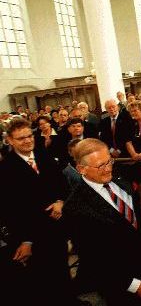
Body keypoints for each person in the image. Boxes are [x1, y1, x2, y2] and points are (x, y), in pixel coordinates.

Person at [63, 119, 141, 306]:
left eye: (109, 161)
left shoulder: (117, 173)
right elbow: (94, 259)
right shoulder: (76, 207)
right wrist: (133, 285)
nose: (108, 169)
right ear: (81, 169)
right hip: (120, 281)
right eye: (100, 166)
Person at [0, 118, 78, 305]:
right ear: (10, 140)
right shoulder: (5, 169)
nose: (27, 141)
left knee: (62, 270)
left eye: (29, 136)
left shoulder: (44, 155)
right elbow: (10, 211)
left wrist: (60, 202)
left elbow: (61, 184)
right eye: (21, 139)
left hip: (56, 226)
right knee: (42, 280)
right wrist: (25, 240)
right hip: (32, 235)